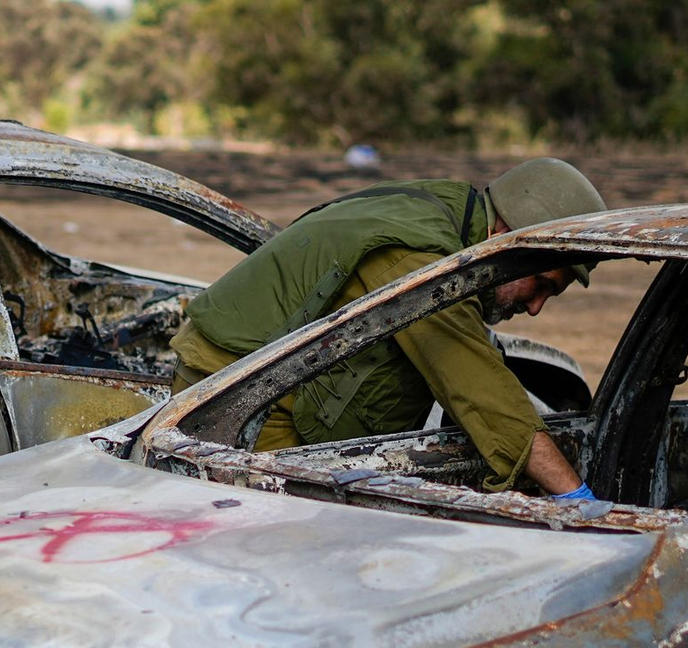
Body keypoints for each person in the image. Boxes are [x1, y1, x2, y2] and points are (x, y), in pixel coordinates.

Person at [169, 158, 606, 497]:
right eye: (542, 285)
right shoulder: (425, 259)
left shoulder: (447, 211)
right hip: (237, 408)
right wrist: (575, 495)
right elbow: (482, 392)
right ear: (507, 232)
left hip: (244, 387)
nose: (535, 309)